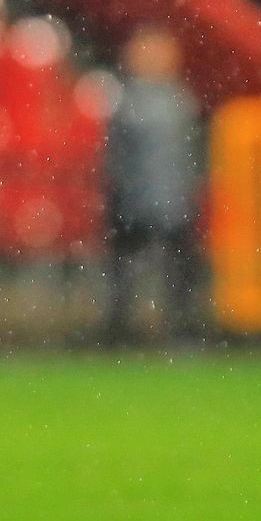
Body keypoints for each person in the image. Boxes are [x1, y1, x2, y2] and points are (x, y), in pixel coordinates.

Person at [101, 26, 203, 344]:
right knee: (127, 269)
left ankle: (178, 328)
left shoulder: (180, 101)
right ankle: (123, 329)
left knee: (176, 270)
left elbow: (190, 157)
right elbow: (116, 155)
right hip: (135, 199)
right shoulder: (127, 101)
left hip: (171, 199)